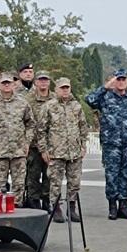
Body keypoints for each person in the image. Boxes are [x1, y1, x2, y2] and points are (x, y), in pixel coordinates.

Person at [86, 69, 127, 219]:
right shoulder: (105, 97)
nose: (121, 82)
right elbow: (89, 100)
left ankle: (123, 204)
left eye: (123, 79)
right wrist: (105, 87)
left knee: (126, 175)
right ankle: (112, 205)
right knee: (111, 175)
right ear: (113, 81)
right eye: (118, 79)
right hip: (111, 144)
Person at [0, 73, 36, 200]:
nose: (7, 85)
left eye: (9, 82)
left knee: (19, 185)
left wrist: (27, 142)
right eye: (4, 83)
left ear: (14, 84)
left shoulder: (22, 103)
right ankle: (1, 214)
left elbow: (31, 124)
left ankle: (17, 210)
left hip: (18, 151)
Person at [37, 78, 88, 223]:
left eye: (67, 88)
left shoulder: (76, 106)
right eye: (62, 88)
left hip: (74, 152)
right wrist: (43, 149)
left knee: (75, 182)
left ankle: (71, 207)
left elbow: (83, 126)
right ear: (56, 89)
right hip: (56, 152)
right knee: (55, 182)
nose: (65, 90)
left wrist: (83, 145)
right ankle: (56, 207)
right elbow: (41, 130)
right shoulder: (49, 106)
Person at [24, 70, 54, 210]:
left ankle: (47, 199)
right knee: (33, 175)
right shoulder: (27, 99)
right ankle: (33, 200)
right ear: (35, 82)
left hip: (51, 145)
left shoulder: (55, 98)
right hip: (33, 145)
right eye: (40, 80)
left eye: (46, 80)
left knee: (49, 175)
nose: (43, 82)